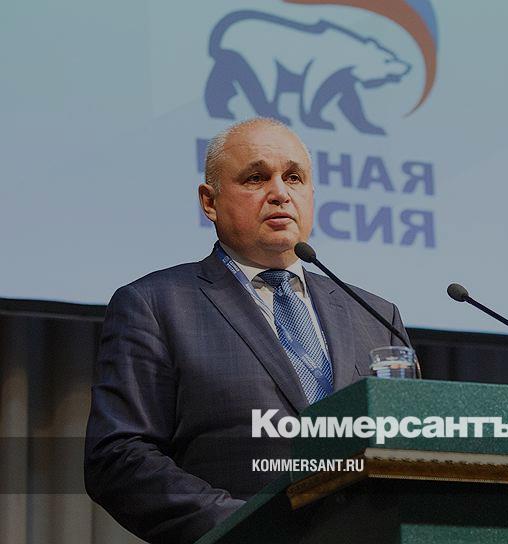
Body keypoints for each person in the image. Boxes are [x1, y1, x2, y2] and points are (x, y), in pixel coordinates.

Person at [84, 118, 410, 544]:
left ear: (312, 194)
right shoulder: (155, 304)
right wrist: (246, 527)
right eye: (256, 178)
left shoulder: (375, 316)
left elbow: (411, 451)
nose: (280, 193)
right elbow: (118, 455)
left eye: (294, 178)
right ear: (209, 201)